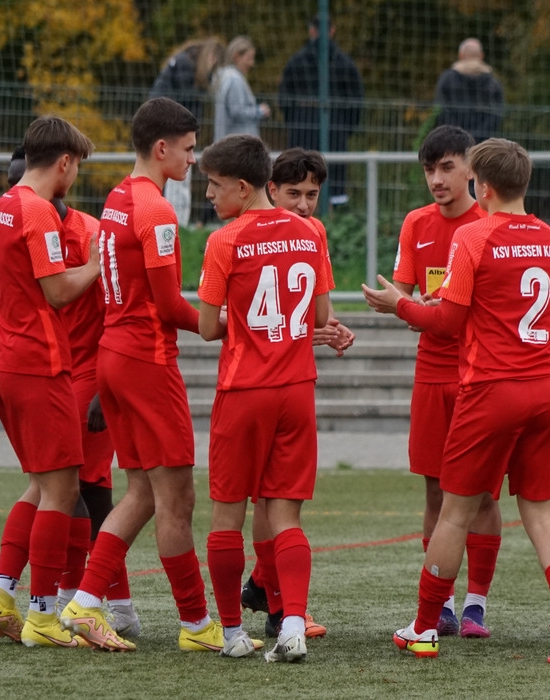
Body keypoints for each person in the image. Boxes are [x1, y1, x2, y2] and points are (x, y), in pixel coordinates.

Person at [364, 138, 550, 664]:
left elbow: (448, 321)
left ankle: (424, 627)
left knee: (454, 512)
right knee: (542, 516)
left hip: (492, 388)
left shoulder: (473, 236)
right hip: (548, 388)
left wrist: (400, 305)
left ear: (482, 186)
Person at [0, 148, 140, 641]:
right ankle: (65, 607)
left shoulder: (84, 230)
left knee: (71, 490)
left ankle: (53, 599)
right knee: (73, 492)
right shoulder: (29, 218)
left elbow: (116, 309)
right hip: (45, 372)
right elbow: (1, 308)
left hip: (81, 372)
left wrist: (105, 384)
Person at [60, 97, 222, 653]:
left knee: (142, 494)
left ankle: (84, 603)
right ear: (161, 147)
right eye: (188, 149)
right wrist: (227, 324)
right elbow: (169, 306)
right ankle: (197, 625)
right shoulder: (156, 209)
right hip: (147, 360)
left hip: (114, 354)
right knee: (177, 497)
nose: (193, 160)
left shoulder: (116, 198)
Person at [196, 134, 334, 663]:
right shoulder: (310, 232)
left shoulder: (225, 240)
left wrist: (244, 319)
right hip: (296, 390)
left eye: (214, 184)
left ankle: (233, 633)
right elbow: (320, 317)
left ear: (242, 186)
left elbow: (208, 328)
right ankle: (293, 624)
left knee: (227, 517)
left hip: (244, 390)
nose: (209, 194)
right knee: (286, 517)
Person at [0, 116, 101, 648]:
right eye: (77, 168)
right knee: (63, 489)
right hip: (36, 364)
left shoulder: (3, 205)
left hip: (3, 362)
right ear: (64, 162)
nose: (73, 179)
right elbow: (58, 291)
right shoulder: (37, 210)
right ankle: (43, 615)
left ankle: (2, 596)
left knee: (39, 484)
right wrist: (95, 264)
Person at [389, 125, 501, 639]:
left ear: (470, 170)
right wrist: (413, 305)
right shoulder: (416, 223)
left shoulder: (489, 224)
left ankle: (477, 604)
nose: (436, 179)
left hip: (480, 375)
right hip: (432, 374)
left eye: (447, 167)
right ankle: (445, 605)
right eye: (429, 170)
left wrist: (449, 309)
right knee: (436, 491)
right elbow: (402, 294)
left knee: (484, 495)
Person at [239, 146, 355, 641]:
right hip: (257, 382)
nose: (305, 204)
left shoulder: (313, 232)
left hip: (287, 378)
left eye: (312, 194)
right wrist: (315, 328)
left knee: (273, 498)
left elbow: (305, 312)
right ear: (271, 190)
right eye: (294, 193)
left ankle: (263, 588)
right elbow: (246, 320)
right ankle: (277, 605)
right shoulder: (244, 233)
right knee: (273, 500)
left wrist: (325, 329)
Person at [279, 15, 364, 207]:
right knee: (335, 177)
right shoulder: (345, 64)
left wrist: (296, 121)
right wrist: (346, 128)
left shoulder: (296, 62)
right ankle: (338, 215)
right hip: (336, 128)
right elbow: (356, 100)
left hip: (302, 127)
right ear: (332, 30)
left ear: (311, 31)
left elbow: (284, 98)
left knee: (300, 173)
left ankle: (299, 213)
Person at [150, 37, 224, 228]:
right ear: (208, 55)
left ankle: (175, 222)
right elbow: (186, 102)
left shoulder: (184, 62)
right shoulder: (186, 66)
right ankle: (176, 223)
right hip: (171, 128)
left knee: (176, 176)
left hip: (166, 125)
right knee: (177, 177)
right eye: (214, 58)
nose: (214, 64)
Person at [433, 38, 504, 143]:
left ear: (461, 55)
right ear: (481, 55)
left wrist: (456, 134)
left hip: (453, 141)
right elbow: (497, 113)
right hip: (483, 142)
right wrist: (480, 136)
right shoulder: (492, 82)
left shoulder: (447, 79)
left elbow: (440, 109)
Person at [214, 36, 271, 142]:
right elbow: (237, 111)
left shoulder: (225, 76)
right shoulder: (235, 80)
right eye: (249, 58)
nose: (252, 63)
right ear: (237, 57)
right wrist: (259, 111)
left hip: (229, 141)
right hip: (239, 143)